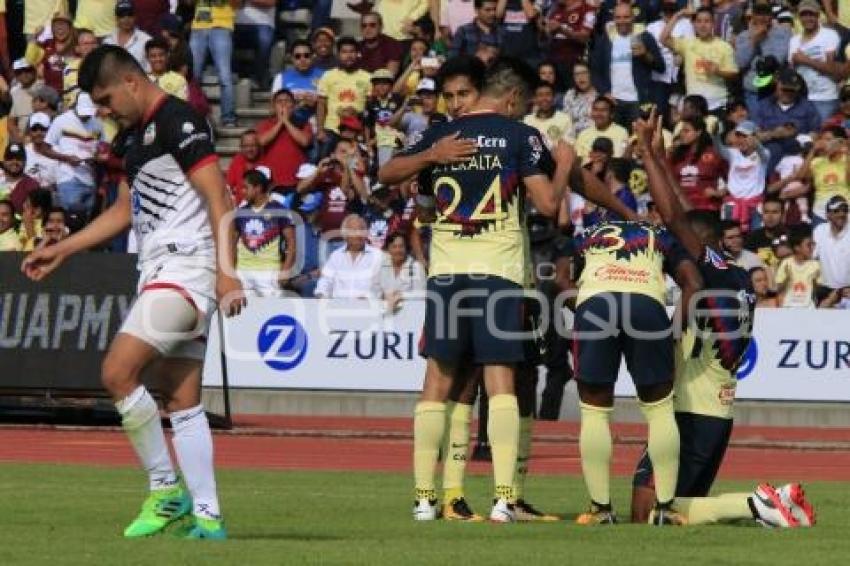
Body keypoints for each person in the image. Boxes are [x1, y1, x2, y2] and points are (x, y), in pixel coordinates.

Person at [22, 45, 246, 540]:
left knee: (117, 373)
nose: (102, 110)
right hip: (160, 268)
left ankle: (165, 490)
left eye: (104, 99)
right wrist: (63, 250)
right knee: (182, 399)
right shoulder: (132, 139)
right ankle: (208, 517)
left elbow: (219, 195)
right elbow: (123, 213)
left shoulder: (178, 121)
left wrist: (227, 271)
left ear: (130, 81)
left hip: (188, 268)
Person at [629, 110, 811, 528]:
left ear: (701, 246)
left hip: (690, 412)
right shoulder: (739, 277)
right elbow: (689, 215)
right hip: (719, 412)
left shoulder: (710, 268)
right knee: (677, 512)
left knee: (646, 513)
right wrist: (662, 159)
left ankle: (761, 502)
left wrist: (649, 157)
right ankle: (766, 504)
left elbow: (676, 217)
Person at [589, 2, 664, 128]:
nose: (622, 21)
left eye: (626, 17)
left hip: (638, 101)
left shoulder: (645, 37)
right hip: (614, 102)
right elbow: (595, 70)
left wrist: (645, 55)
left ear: (633, 18)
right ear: (613, 19)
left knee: (639, 141)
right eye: (618, 17)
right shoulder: (605, 39)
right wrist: (605, 92)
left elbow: (661, 67)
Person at [661, 7, 737, 115]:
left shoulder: (724, 46)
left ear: (713, 24)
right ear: (694, 24)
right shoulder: (687, 44)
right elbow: (663, 39)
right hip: (693, 105)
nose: (703, 25)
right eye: (699, 21)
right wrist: (678, 15)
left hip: (717, 103)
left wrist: (717, 71)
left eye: (707, 21)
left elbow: (734, 73)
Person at [42, 92, 103, 223]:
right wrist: (66, 158)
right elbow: (45, 148)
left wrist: (96, 158)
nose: (85, 117)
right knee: (71, 218)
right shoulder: (61, 121)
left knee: (87, 221)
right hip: (69, 176)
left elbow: (102, 147)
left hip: (90, 177)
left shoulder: (97, 124)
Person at [234, 169, 296, 296]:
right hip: (243, 271)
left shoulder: (279, 210)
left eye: (246, 188)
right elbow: (232, 243)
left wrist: (286, 269)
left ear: (258, 188)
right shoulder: (240, 212)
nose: (242, 191)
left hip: (269, 272)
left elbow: (291, 242)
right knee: (244, 313)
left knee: (272, 312)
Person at [753, 68, 821, 173]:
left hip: (797, 151)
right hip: (768, 149)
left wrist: (800, 137)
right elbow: (754, 135)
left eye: (791, 90)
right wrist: (774, 134)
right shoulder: (763, 105)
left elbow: (815, 132)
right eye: (784, 89)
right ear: (777, 85)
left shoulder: (807, 106)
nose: (788, 93)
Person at [316, 37, 372, 157]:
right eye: (344, 52)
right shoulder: (328, 76)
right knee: (323, 162)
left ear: (357, 54)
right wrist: (320, 130)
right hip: (332, 129)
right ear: (338, 54)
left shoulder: (367, 78)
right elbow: (321, 104)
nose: (348, 55)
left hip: (357, 130)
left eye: (352, 52)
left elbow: (370, 107)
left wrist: (357, 113)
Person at [734, 3, 792, 115]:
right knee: (756, 127)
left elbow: (777, 60)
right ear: (753, 16)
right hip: (753, 92)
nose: (762, 17)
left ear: (771, 16)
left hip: (775, 91)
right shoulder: (743, 36)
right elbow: (740, 63)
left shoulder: (783, 33)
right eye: (759, 14)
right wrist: (754, 40)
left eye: (766, 14)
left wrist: (764, 38)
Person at [789, 0, 842, 123]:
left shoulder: (830, 35)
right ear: (799, 17)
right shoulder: (794, 40)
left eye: (811, 14)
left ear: (818, 15)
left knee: (822, 136)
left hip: (825, 97)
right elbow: (792, 69)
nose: (808, 18)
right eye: (804, 14)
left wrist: (804, 59)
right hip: (801, 98)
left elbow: (832, 69)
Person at [189, 0, 239, 127]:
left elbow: (238, 3)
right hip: (199, 26)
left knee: (225, 76)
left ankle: (228, 118)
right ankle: (192, 115)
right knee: (193, 76)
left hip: (221, 27)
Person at [714, 120, 769, 233]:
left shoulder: (763, 154)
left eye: (744, 136)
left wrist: (756, 143)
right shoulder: (733, 153)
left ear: (753, 137)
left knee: (755, 238)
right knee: (729, 237)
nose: (741, 140)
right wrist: (715, 135)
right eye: (738, 136)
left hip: (755, 206)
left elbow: (762, 152)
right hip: (732, 205)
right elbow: (719, 149)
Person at [314, 213, 384, 299]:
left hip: (367, 308)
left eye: (362, 230)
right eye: (354, 231)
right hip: (338, 308)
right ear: (345, 235)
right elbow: (325, 281)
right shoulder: (336, 256)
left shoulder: (378, 255)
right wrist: (321, 294)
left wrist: (368, 298)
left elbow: (383, 286)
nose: (359, 235)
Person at [646, 0, 694, 123]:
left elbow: (689, 46)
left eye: (671, 11)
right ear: (660, 12)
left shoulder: (686, 24)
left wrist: (680, 55)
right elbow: (652, 50)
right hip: (658, 77)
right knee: (659, 113)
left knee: (677, 116)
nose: (668, 14)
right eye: (665, 11)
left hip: (678, 77)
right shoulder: (652, 27)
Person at [256, 89, 312, 192]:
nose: (283, 104)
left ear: (294, 105)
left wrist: (286, 122)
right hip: (272, 182)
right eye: (279, 101)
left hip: (297, 182)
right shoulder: (265, 124)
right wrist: (280, 123)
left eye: (287, 101)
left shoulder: (303, 123)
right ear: (274, 106)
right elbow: (262, 141)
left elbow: (304, 142)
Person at [669, 116, 725, 213]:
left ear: (698, 132)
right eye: (681, 131)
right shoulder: (675, 156)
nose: (682, 134)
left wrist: (719, 193)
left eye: (686, 131)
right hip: (681, 209)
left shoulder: (713, 154)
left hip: (707, 208)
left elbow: (733, 179)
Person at [270, 40, 324, 123]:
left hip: (317, 123)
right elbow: (273, 109)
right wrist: (295, 103)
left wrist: (317, 103)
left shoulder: (324, 76)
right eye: (297, 56)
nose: (302, 59)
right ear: (292, 58)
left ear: (313, 57)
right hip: (288, 123)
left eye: (306, 56)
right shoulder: (280, 78)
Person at [812, 195, 850, 300]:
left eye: (845, 210)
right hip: (825, 290)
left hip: (847, 291)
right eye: (836, 211)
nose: (842, 214)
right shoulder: (819, 231)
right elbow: (811, 258)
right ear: (828, 215)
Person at [365, 68, 405, 168]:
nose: (381, 87)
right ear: (373, 86)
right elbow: (367, 124)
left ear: (391, 86)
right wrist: (368, 142)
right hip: (380, 141)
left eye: (385, 83)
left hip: (397, 139)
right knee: (382, 168)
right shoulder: (370, 103)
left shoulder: (397, 99)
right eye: (378, 84)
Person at [544, 0, 596, 75]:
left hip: (574, 62)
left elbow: (584, 38)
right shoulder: (556, 10)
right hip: (553, 61)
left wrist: (562, 30)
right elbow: (547, 34)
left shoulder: (588, 10)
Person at [233, 0, 276, 89]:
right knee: (221, 36)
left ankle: (259, 78)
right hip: (235, 23)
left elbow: (271, 2)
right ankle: (232, 74)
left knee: (264, 40)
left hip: (263, 23)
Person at [776, 226, 821, 308]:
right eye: (808, 245)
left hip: (808, 309)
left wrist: (816, 284)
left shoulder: (815, 265)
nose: (812, 248)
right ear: (797, 247)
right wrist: (786, 280)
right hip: (788, 307)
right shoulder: (786, 263)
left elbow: (819, 290)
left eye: (812, 244)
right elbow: (778, 289)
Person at [379, 231, 426, 307]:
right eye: (394, 246)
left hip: (409, 312)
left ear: (406, 248)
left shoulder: (416, 267)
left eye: (401, 246)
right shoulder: (382, 267)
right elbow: (376, 289)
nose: (398, 250)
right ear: (388, 249)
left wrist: (402, 296)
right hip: (385, 312)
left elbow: (422, 295)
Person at [103, 1, 153, 71]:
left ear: (135, 17)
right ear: (116, 19)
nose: (126, 19)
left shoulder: (146, 40)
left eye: (130, 15)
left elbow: (150, 69)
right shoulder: (108, 41)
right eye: (122, 16)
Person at [524, 81, 574, 149]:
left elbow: (568, 146)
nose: (544, 98)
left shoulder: (564, 119)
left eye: (548, 94)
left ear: (553, 97)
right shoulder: (527, 121)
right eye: (540, 95)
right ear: (535, 98)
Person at [745, 195, 787, 269]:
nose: (770, 216)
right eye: (766, 212)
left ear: (783, 215)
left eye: (775, 212)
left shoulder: (791, 238)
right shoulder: (752, 238)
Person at [8, 59, 42, 142]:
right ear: (15, 75)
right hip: (22, 138)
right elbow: (11, 121)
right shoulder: (13, 92)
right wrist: (20, 137)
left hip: (41, 135)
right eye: (19, 72)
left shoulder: (42, 87)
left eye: (27, 70)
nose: (24, 75)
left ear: (34, 71)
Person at [225, 130, 263, 205]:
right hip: (240, 209)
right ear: (241, 147)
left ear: (259, 146)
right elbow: (228, 187)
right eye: (246, 146)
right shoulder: (237, 160)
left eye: (253, 145)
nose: (249, 149)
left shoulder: (265, 161)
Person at [0, 143, 39, 212]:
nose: (14, 162)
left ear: (25, 162)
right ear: (4, 161)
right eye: (10, 158)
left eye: (18, 159)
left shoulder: (32, 186)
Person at [561, 62, 596, 135]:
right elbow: (566, 120)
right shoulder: (570, 94)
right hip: (574, 137)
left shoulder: (599, 95)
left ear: (590, 74)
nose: (581, 77)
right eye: (577, 74)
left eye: (584, 73)